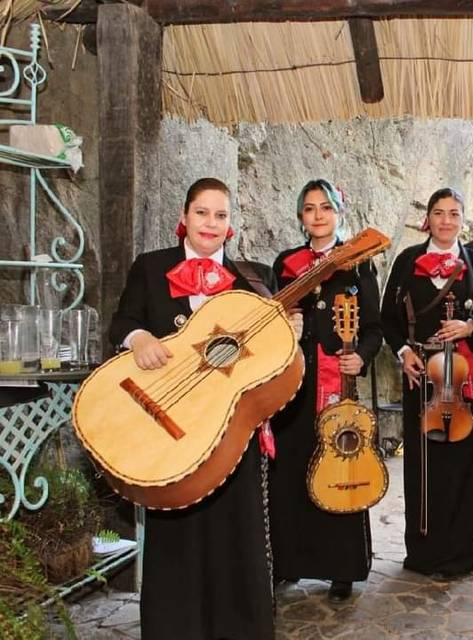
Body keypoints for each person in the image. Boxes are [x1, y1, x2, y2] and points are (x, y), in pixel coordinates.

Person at [109, 178, 297, 640]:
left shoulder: (254, 281)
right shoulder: (150, 268)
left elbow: (270, 358)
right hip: (172, 427)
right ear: (185, 216)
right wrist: (140, 339)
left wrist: (289, 332)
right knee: (177, 528)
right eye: (202, 213)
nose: (211, 223)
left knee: (238, 530)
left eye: (221, 215)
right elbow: (123, 321)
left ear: (230, 226)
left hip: (232, 426)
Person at [269, 179, 383, 603]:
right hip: (293, 380)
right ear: (301, 216)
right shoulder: (286, 263)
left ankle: (342, 568)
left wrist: (363, 356)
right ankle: (290, 563)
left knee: (342, 465)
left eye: (325, 207)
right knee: (292, 467)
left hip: (339, 382)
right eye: (309, 208)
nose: (317, 215)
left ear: (338, 212)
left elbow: (374, 327)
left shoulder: (358, 262)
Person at [380, 187, 473, 578]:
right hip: (422, 376)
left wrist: (469, 325)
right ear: (427, 219)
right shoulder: (407, 260)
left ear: (462, 220)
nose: (446, 220)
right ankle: (425, 552)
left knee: (463, 464)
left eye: (453, 213)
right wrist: (404, 353)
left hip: (463, 376)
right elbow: (387, 319)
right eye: (439, 212)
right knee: (423, 464)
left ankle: (465, 553)